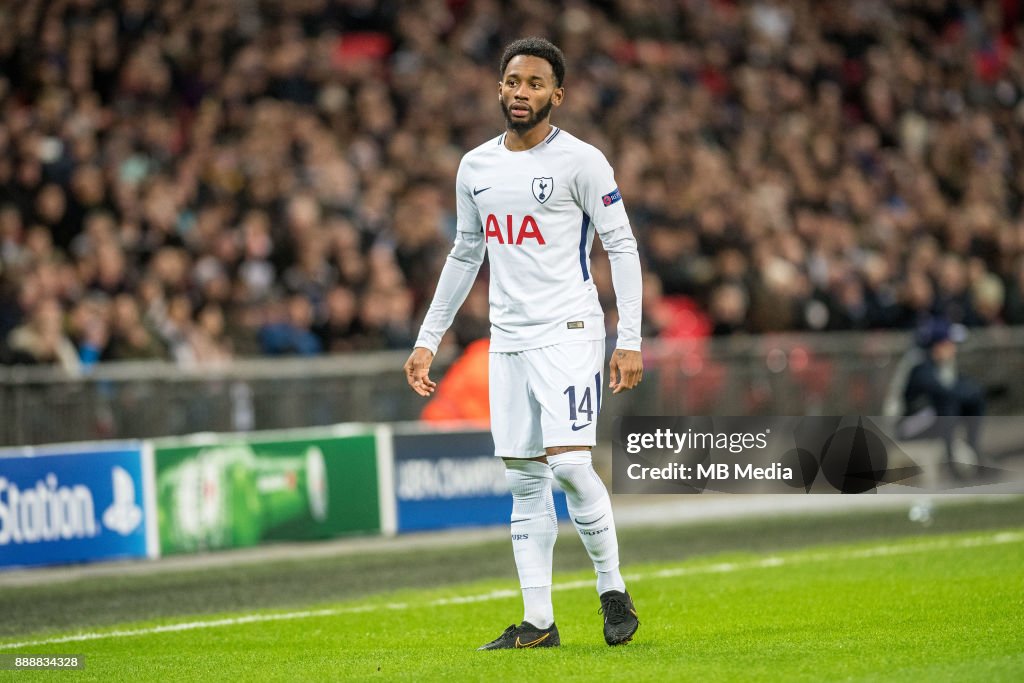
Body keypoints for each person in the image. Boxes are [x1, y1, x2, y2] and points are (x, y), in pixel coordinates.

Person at [404, 37, 644, 650]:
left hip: (569, 329)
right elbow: (465, 253)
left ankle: (612, 589)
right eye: (513, 81)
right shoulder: (476, 168)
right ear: (499, 87)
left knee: (567, 464)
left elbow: (621, 246)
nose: (521, 92)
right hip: (506, 340)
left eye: (535, 83)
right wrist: (428, 340)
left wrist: (630, 337)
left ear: (555, 96)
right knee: (523, 480)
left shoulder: (583, 162)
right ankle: (539, 623)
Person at [900, 316, 986, 479]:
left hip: (929, 421)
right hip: (905, 425)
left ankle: (974, 449)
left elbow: (971, 390)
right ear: (937, 345)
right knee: (948, 406)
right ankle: (951, 461)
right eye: (949, 343)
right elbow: (945, 393)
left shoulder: (945, 367)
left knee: (973, 402)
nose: (953, 348)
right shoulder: (920, 367)